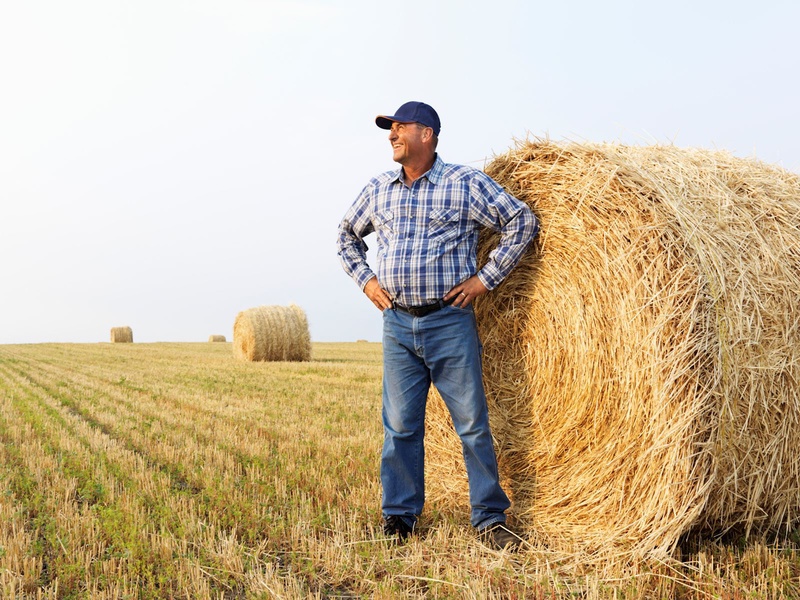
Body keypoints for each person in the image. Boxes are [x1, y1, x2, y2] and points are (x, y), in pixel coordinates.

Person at [336, 101, 539, 550]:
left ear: (426, 134)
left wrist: (485, 280)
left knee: (471, 424)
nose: (391, 134)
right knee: (400, 428)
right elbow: (346, 237)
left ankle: (489, 518)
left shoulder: (462, 183)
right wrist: (367, 282)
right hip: (397, 325)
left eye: (399, 127)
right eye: (390, 129)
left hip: (449, 322)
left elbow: (522, 220)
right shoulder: (377, 190)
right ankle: (400, 517)